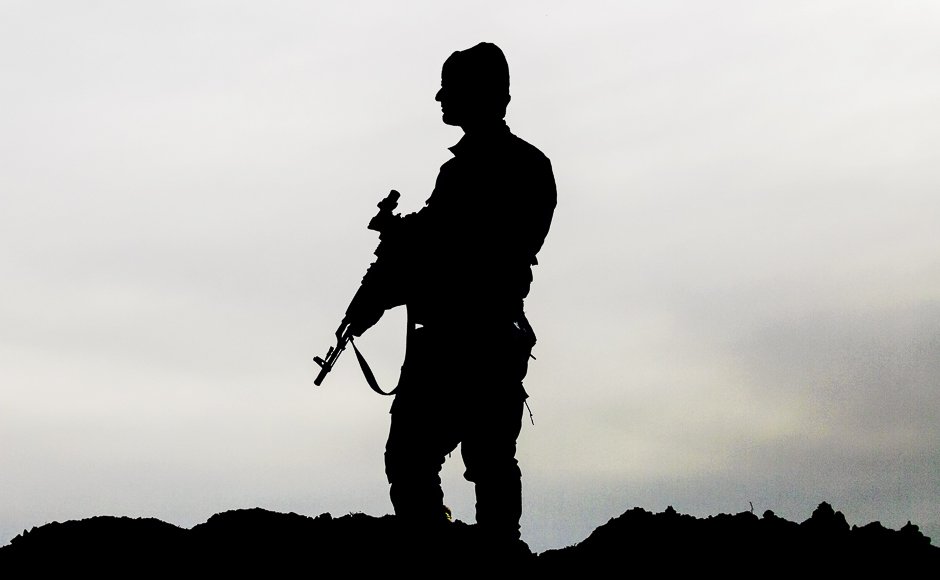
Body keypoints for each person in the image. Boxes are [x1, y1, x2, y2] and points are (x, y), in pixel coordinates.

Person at [337, 42, 556, 545]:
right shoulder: (527, 165)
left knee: (417, 459)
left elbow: (451, 247)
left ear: (478, 94)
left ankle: (443, 553)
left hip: (460, 342)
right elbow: (446, 241)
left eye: (450, 88)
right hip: (494, 339)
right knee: (490, 462)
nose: (439, 97)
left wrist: (396, 257)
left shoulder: (474, 171)